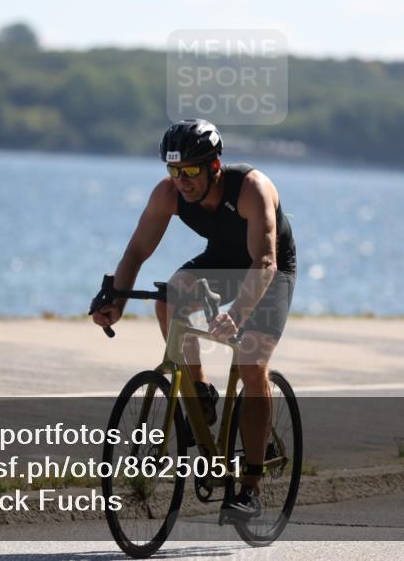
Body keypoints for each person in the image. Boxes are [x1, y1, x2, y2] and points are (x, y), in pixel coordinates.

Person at [92, 118, 297, 520]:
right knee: (169, 299)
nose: (181, 180)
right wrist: (115, 297)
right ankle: (200, 391)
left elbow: (266, 261)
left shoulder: (252, 189)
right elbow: (136, 250)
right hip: (223, 259)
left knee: (251, 364)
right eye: (173, 170)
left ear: (214, 167)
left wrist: (237, 314)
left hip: (269, 268)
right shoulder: (168, 194)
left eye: (189, 170)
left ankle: (250, 488)